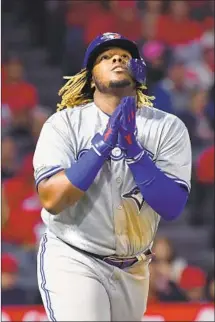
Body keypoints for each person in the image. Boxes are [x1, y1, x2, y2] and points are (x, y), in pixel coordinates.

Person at [33, 32, 192, 321]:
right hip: (75, 255)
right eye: (105, 57)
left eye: (125, 56)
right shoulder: (64, 125)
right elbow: (52, 199)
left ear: (139, 72)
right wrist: (103, 144)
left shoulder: (167, 128)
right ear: (91, 79)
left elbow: (172, 206)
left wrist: (133, 149)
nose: (117, 58)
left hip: (134, 267)